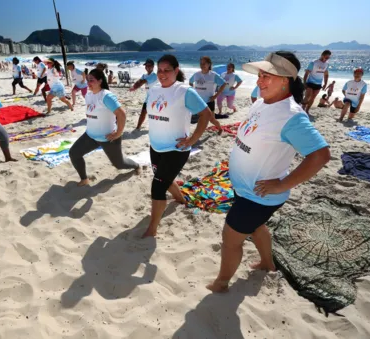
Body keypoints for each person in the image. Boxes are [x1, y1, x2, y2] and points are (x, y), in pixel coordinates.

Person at [207, 51, 330, 293]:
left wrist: (283, 184)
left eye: (267, 76)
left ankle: (221, 283)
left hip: (259, 196)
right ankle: (267, 262)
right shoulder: (262, 102)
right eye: (260, 75)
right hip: (245, 188)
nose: (259, 81)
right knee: (257, 227)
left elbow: (321, 155)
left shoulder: (292, 116)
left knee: (230, 240)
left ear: (285, 79)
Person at [141, 54, 214, 238]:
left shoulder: (184, 92)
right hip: (155, 147)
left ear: (176, 70)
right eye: (160, 70)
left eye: (167, 70)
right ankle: (181, 199)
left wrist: (192, 139)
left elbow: (206, 114)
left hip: (176, 150)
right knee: (162, 177)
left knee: (157, 187)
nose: (162, 74)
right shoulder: (153, 90)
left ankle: (152, 230)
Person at [69, 68, 141, 186]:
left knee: (119, 164)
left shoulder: (106, 96)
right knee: (74, 153)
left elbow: (121, 114)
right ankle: (84, 179)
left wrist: (118, 133)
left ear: (100, 81)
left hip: (108, 138)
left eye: (91, 80)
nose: (88, 83)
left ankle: (136, 165)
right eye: (87, 80)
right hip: (90, 136)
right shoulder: (88, 95)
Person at [189, 56, 227, 120]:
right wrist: (193, 91)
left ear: (209, 64)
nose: (202, 65)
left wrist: (215, 96)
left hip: (209, 101)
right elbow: (190, 82)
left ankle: (219, 128)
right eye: (201, 63)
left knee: (212, 119)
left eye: (204, 63)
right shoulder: (196, 74)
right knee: (201, 119)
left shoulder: (213, 75)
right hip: (198, 101)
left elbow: (224, 84)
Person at [130, 59, 158, 129]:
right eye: (146, 66)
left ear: (153, 66)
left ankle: (157, 127)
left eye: (149, 66)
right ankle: (138, 127)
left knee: (154, 114)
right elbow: (139, 81)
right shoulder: (144, 75)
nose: (147, 67)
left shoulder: (154, 76)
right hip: (148, 97)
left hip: (156, 98)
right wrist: (134, 86)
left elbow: (143, 81)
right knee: (143, 112)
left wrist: (135, 87)